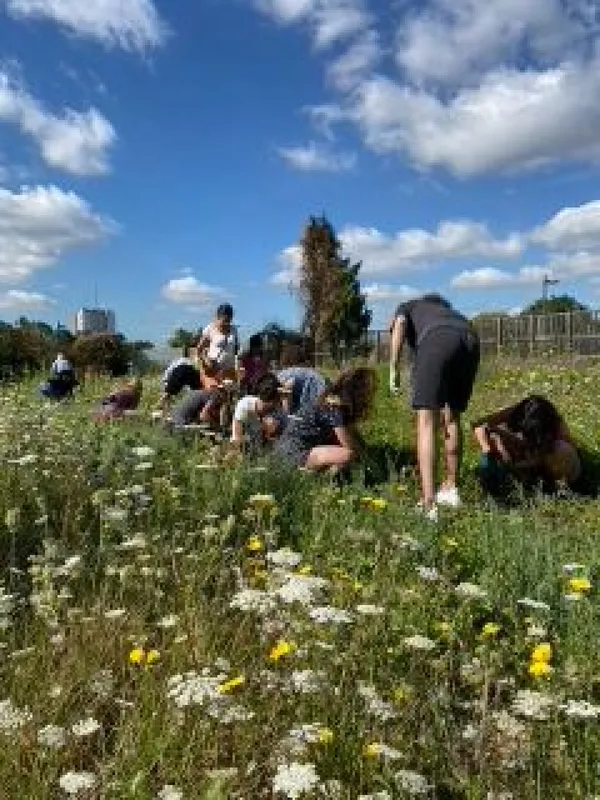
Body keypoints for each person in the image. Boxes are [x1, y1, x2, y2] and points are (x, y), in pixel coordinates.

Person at [389, 294, 480, 518]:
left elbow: (398, 324)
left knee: (426, 421)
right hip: (470, 338)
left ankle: (428, 503)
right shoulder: (446, 312)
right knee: (452, 417)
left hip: (437, 340)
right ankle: (451, 488)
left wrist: (393, 368)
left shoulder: (408, 307)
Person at [472, 394, 581, 493]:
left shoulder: (555, 427)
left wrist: (513, 466)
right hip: (529, 461)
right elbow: (479, 426)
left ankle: (558, 490)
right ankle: (508, 482)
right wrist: (487, 451)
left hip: (555, 467)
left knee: (560, 450)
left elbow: (539, 458)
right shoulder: (519, 412)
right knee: (494, 436)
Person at [274, 367, 375, 473]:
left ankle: (313, 470)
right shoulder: (335, 408)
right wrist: (366, 457)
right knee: (348, 455)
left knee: (346, 452)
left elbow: (353, 434)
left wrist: (364, 449)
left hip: (288, 449)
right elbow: (350, 446)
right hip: (294, 453)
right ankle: (320, 478)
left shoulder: (331, 401)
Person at [230, 373, 286, 453]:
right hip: (247, 445)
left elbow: (278, 436)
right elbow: (236, 437)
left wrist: (272, 433)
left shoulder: (276, 410)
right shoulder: (244, 406)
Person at [196, 304, 239, 388]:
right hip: (213, 371)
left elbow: (236, 348)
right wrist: (206, 360)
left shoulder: (234, 329)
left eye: (229, 320)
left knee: (229, 395)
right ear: (218, 317)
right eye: (224, 320)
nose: (226, 323)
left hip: (229, 370)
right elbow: (199, 349)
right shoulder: (210, 328)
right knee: (214, 395)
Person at [276, 344, 327, 415]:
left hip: (289, 419)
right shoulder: (317, 376)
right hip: (312, 418)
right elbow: (321, 397)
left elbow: (281, 400)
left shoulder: (282, 375)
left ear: (285, 358)